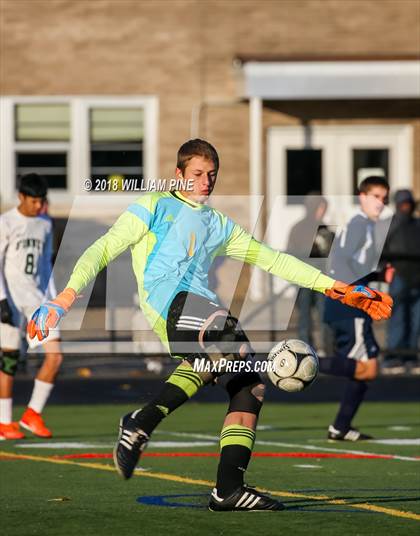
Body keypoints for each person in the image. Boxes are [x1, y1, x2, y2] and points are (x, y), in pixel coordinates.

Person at [28, 140, 392, 511]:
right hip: (170, 307)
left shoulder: (219, 225)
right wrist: (66, 297)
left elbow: (274, 260)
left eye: (212, 175)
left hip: (199, 312)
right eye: (198, 174)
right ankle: (142, 420)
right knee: (228, 343)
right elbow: (102, 248)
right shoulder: (153, 205)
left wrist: (336, 288)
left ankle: (226, 488)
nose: (205, 182)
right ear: (179, 174)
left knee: (250, 388)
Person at [323, 176, 391, 442]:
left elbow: (352, 265)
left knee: (367, 368)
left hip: (346, 305)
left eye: (384, 198)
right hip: (349, 307)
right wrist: (361, 293)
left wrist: (376, 276)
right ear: (362, 196)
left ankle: (341, 426)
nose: (380, 203)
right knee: (368, 367)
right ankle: (298, 362)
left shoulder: (362, 225)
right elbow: (339, 262)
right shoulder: (360, 224)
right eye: (375, 196)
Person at [0, 173, 63, 440]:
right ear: (21, 197)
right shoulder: (6, 222)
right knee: (10, 360)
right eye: (33, 201)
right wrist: (1, 299)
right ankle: (4, 422)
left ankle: (32, 414)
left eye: (41, 201)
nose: (38, 206)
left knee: (55, 356)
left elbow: (47, 264)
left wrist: (55, 300)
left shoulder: (45, 224)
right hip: (11, 300)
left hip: (38, 300)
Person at [287, 193, 334, 353]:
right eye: (319, 207)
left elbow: (331, 251)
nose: (322, 211)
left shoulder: (324, 228)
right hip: (303, 278)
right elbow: (291, 253)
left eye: (324, 207)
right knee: (304, 316)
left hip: (321, 279)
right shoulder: (298, 228)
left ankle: (326, 347)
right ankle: (305, 349)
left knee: (324, 314)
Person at [382, 189, 420, 373]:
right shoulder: (390, 225)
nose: (406, 207)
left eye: (409, 204)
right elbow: (380, 251)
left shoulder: (417, 225)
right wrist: (385, 270)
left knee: (416, 319)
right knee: (397, 318)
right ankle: (393, 356)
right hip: (399, 277)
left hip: (417, 278)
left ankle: (411, 356)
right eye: (403, 204)